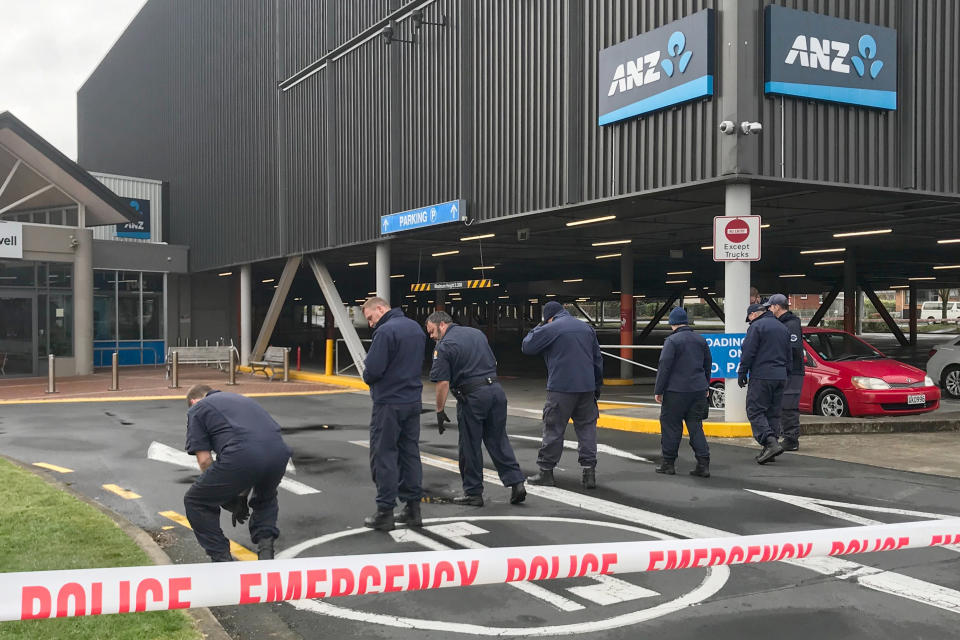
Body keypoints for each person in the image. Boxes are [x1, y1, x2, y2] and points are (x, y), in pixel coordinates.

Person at [426, 311, 526, 506]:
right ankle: (516, 483)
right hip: (496, 392)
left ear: (442, 325)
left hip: (473, 397)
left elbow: (442, 383)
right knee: (498, 439)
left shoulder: (444, 346)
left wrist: (440, 410)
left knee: (470, 445)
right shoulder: (476, 334)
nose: (431, 336)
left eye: (431, 331)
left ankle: (473, 493)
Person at [183, 384, 292, 562]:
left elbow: (204, 461)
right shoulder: (242, 400)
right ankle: (266, 552)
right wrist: (241, 496)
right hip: (279, 452)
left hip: (242, 454)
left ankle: (222, 558)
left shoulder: (198, 408)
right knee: (266, 497)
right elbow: (254, 456)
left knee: (196, 501)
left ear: (193, 401)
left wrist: (224, 497)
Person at [521, 300, 604, 488]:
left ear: (548, 317)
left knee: (553, 428)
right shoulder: (586, 328)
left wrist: (539, 326)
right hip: (586, 387)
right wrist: (596, 386)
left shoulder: (552, 328)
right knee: (587, 429)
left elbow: (527, 346)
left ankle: (546, 472)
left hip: (561, 388)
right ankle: (589, 473)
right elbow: (598, 360)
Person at [360, 297, 426, 531]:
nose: (370, 324)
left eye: (370, 317)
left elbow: (373, 370)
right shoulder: (415, 327)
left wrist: (366, 374)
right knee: (410, 453)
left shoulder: (385, 331)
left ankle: (385, 511)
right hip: (412, 400)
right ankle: (412, 508)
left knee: (384, 454)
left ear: (380, 308)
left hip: (388, 402)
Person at [653, 307, 712, 477]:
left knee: (671, 426)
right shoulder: (700, 340)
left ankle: (668, 464)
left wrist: (659, 390)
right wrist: (705, 385)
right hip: (698, 390)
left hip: (676, 391)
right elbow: (707, 364)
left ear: (672, 323)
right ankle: (703, 463)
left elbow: (665, 366)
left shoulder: (672, 341)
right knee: (695, 426)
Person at [738, 302, 792, 464]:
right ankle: (770, 449)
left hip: (762, 375)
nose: (750, 321)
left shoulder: (756, 327)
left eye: (749, 318)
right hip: (780, 375)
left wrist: (742, 372)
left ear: (753, 314)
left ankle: (770, 442)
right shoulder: (783, 327)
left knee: (755, 410)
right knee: (773, 413)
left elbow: (748, 352)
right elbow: (790, 354)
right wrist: (785, 373)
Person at [766, 294, 804, 451]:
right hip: (783, 371)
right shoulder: (781, 324)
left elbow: (793, 348)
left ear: (777, 307)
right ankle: (786, 436)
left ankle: (791, 439)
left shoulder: (791, 324)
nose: (769, 309)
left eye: (770, 306)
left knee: (789, 405)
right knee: (781, 404)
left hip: (792, 371)